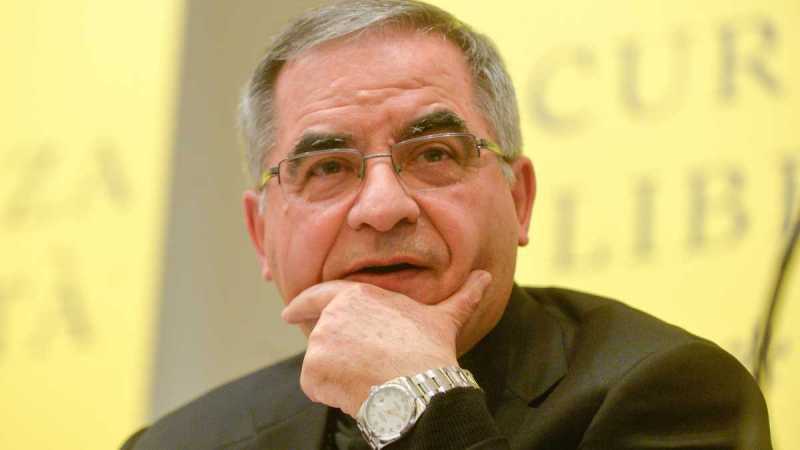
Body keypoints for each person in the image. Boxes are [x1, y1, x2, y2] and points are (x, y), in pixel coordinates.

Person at [122, 1, 772, 449]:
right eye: (327, 168)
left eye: (433, 155)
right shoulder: (180, 443)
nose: (383, 207)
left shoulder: (668, 393)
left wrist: (418, 402)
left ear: (519, 199)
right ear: (260, 235)